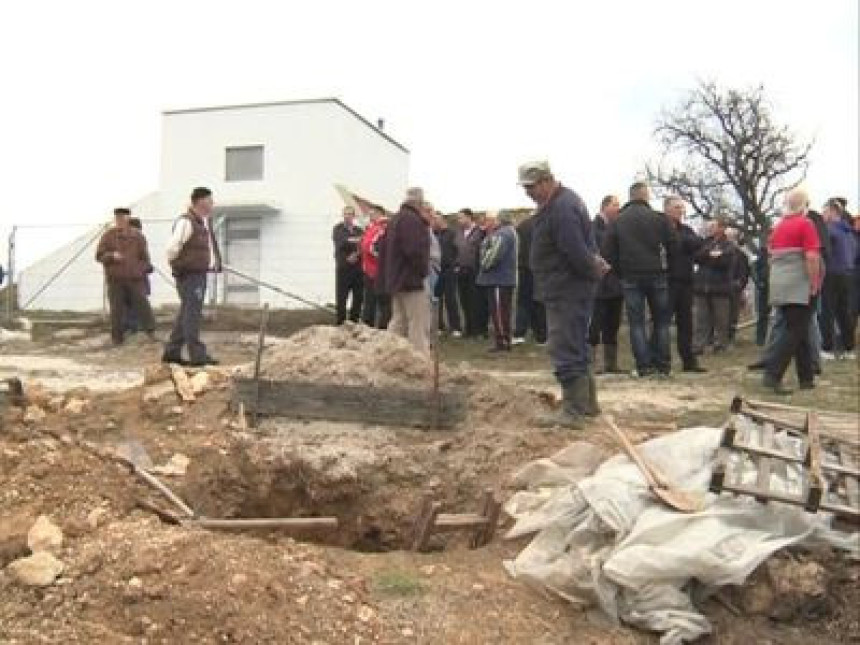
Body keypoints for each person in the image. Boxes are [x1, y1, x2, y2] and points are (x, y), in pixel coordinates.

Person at [520, 161, 606, 427]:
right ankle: (588, 405)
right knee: (575, 343)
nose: (528, 193)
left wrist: (592, 269)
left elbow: (574, 249)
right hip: (564, 286)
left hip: (567, 287)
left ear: (546, 181)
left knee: (565, 345)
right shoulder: (561, 203)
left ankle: (573, 410)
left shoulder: (562, 207)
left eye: (531, 187)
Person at [604, 182, 676, 377]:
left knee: (636, 323)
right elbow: (673, 245)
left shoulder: (618, 221)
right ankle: (663, 365)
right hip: (657, 273)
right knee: (661, 322)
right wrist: (666, 268)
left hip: (631, 275)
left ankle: (644, 366)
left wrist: (621, 271)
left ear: (630, 196)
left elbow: (608, 251)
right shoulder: (659, 219)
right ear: (646, 196)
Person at [762, 188, 822, 394]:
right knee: (794, 331)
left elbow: (771, 256)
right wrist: (814, 282)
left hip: (779, 283)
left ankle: (806, 378)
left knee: (800, 329)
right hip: (798, 284)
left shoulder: (778, 226)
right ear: (805, 205)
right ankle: (773, 374)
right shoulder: (806, 224)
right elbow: (812, 257)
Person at [163, 187, 222, 366]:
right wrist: (180, 266)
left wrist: (212, 263)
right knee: (192, 315)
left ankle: (172, 353)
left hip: (198, 274)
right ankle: (197, 356)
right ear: (200, 202)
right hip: (190, 275)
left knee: (185, 314)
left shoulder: (201, 223)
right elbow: (171, 249)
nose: (212, 204)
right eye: (210, 201)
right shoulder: (186, 222)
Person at [95, 207, 157, 346]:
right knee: (117, 310)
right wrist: (111, 256)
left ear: (128, 218)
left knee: (143, 305)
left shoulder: (138, 236)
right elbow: (99, 255)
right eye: (117, 218)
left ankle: (150, 333)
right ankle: (117, 338)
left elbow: (145, 258)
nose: (120, 221)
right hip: (115, 279)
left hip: (134, 278)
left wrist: (139, 270)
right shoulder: (108, 236)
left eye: (123, 218)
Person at [380, 188, 431, 351]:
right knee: (417, 322)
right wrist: (423, 271)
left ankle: (389, 353)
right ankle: (420, 359)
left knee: (398, 320)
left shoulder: (395, 219)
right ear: (419, 203)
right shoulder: (412, 221)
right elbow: (414, 250)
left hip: (396, 278)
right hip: (411, 279)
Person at [663, 197, 706, 372]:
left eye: (682, 207)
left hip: (686, 281)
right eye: (677, 207)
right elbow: (673, 246)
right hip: (667, 281)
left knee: (686, 323)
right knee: (662, 323)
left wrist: (685, 243)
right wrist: (685, 243)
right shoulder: (661, 227)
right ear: (667, 209)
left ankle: (689, 361)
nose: (681, 211)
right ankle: (662, 361)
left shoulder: (686, 229)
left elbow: (699, 244)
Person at [588, 195, 625, 373]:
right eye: (615, 205)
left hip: (616, 283)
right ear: (604, 207)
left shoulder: (618, 227)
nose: (618, 208)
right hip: (599, 284)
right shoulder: (593, 227)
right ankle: (591, 363)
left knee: (613, 323)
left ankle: (611, 363)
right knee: (595, 323)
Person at [820, 198, 857, 358]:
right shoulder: (849, 232)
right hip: (848, 275)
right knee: (844, 313)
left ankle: (827, 349)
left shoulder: (829, 230)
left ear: (833, 212)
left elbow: (823, 251)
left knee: (827, 312)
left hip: (832, 274)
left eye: (825, 211)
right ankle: (849, 349)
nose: (823, 214)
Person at [476, 210, 518, 352]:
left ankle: (503, 341)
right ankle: (503, 339)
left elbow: (493, 255)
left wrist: (483, 263)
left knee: (499, 312)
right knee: (502, 311)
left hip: (499, 279)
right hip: (502, 279)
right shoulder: (508, 232)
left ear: (499, 220)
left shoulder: (503, 234)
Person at [692, 218, 735, 355]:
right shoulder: (705, 242)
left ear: (722, 228)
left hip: (720, 288)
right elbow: (697, 257)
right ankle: (699, 345)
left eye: (714, 226)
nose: (710, 228)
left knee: (721, 319)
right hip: (702, 286)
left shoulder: (729, 245)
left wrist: (710, 258)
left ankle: (721, 344)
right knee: (701, 319)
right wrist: (710, 255)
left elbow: (725, 261)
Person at [512, 212, 547, 346]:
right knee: (539, 301)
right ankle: (541, 335)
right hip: (539, 267)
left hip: (523, 267)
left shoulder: (522, 226)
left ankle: (519, 333)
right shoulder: (543, 225)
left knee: (523, 301)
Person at [454, 209, 487, 338]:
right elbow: (454, 249)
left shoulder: (479, 232)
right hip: (461, 271)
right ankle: (468, 328)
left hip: (475, 271)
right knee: (464, 300)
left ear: (469, 218)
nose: (459, 220)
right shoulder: (458, 233)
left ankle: (478, 329)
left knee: (476, 300)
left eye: (461, 218)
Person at [360, 205, 391, 328]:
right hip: (369, 270)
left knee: (383, 301)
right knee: (369, 300)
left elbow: (375, 247)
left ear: (379, 213)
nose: (370, 216)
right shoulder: (372, 227)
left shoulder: (383, 227)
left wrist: (372, 252)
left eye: (372, 214)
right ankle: (368, 325)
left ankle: (383, 328)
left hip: (378, 271)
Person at [332, 206, 364, 325]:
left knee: (358, 298)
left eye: (350, 214)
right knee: (341, 298)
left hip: (357, 269)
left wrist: (356, 253)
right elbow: (341, 242)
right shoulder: (338, 228)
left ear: (354, 216)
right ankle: (340, 323)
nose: (347, 216)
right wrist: (356, 241)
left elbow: (364, 244)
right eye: (345, 214)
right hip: (343, 268)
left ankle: (354, 322)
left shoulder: (359, 230)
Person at [434, 213, 462, 336]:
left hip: (449, 269)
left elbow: (458, 249)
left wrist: (455, 264)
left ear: (442, 220)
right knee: (436, 299)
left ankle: (455, 326)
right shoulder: (435, 234)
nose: (434, 221)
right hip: (437, 270)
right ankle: (438, 325)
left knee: (451, 299)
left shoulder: (452, 233)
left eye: (436, 219)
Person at [726, 227, 750, 343]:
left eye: (731, 238)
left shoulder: (741, 255)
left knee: (732, 314)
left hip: (734, 288)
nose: (730, 240)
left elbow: (744, 273)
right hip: (721, 287)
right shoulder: (722, 252)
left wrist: (739, 285)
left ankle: (730, 337)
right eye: (728, 237)